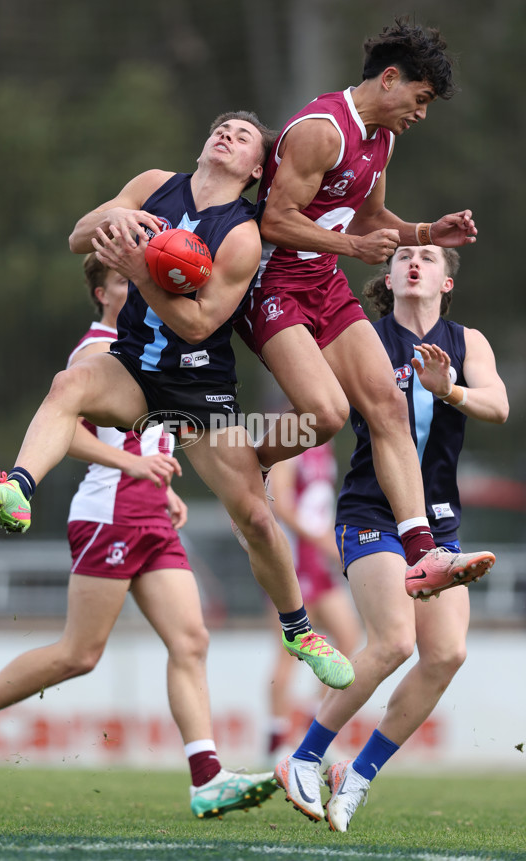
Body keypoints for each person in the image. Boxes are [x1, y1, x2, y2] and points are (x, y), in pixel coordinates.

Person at [0, 112, 355, 695]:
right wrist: (113, 215)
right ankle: (18, 489)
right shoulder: (152, 186)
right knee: (65, 385)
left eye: (243, 136)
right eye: (221, 128)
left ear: (255, 169)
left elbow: (199, 325)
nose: (227, 135)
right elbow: (77, 238)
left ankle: (299, 630)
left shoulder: (243, 233)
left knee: (253, 516)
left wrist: (140, 275)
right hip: (132, 369)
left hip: (198, 390)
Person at [0, 253, 279, 817]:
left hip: (151, 514)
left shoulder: (149, 348)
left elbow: (145, 430)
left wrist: (159, 484)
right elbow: (67, 435)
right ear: (102, 294)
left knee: (191, 641)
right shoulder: (98, 350)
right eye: (125, 281)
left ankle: (206, 777)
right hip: (109, 511)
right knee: (78, 654)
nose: (139, 287)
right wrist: (137, 470)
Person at [234, 18, 495, 601]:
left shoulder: (383, 138)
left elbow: (373, 217)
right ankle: (247, 466)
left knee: (388, 405)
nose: (421, 114)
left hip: (322, 281)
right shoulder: (322, 130)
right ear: (390, 79)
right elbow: (273, 221)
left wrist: (428, 230)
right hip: (272, 285)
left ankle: (424, 555)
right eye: (420, 99)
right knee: (324, 415)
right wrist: (353, 247)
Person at [273, 243, 509, 828]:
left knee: (447, 653)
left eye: (429, 258)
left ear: (445, 283)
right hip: (371, 513)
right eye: (404, 254)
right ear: (389, 275)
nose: (414, 263)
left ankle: (357, 775)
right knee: (393, 642)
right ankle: (302, 758)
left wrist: (447, 388)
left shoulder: (466, 341)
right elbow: (312, 405)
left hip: (441, 524)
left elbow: (499, 406)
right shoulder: (364, 338)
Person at [265, 442, 362, 761]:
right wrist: (327, 544)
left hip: (320, 567)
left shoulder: (328, 449)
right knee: (287, 652)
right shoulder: (289, 444)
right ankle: (277, 740)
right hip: (294, 564)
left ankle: (313, 727)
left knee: (349, 639)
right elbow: (283, 506)